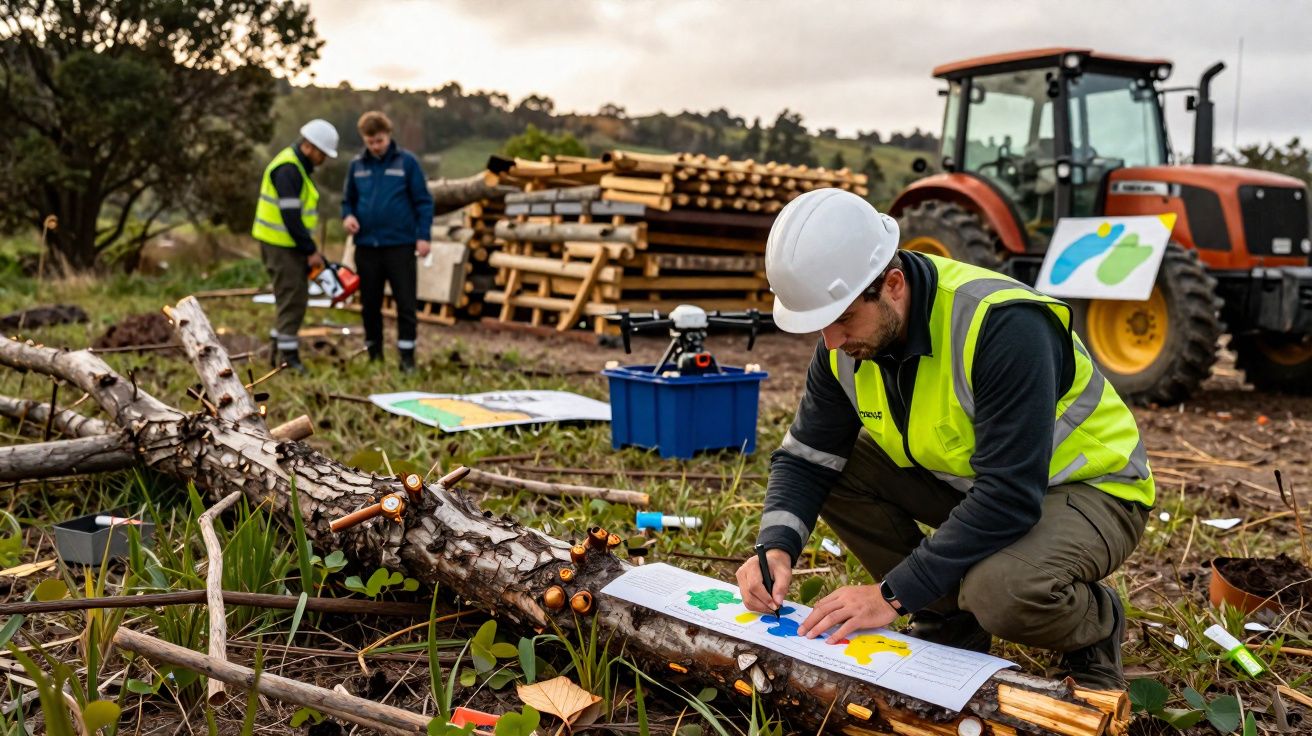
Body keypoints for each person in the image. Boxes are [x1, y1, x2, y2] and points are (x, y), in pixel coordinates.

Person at [735, 189, 1153, 690]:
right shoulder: (842, 344)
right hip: (978, 485)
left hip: (1088, 487)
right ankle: (948, 617)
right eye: (820, 326)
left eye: (843, 319)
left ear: (891, 285)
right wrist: (775, 547)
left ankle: (1095, 627)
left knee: (1001, 591)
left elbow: (1009, 496)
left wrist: (890, 595)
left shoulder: (1004, 325)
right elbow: (806, 459)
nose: (832, 343)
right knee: (838, 466)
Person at [341, 110, 434, 372]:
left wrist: (423, 236)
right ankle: (374, 355)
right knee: (370, 304)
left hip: (400, 246)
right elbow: (347, 200)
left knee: (405, 304)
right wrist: (347, 216)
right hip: (367, 247)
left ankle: (407, 359)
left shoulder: (407, 163)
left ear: (388, 135)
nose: (375, 146)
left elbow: (423, 202)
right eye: (370, 142)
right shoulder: (357, 166)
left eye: (379, 141)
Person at [251, 118, 339, 373]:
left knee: (289, 298)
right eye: (323, 153)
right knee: (293, 299)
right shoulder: (289, 169)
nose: (323, 159)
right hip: (282, 246)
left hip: (286, 245)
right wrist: (310, 250)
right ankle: (288, 362)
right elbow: (290, 218)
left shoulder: (295, 166)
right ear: (310, 146)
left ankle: (277, 353)